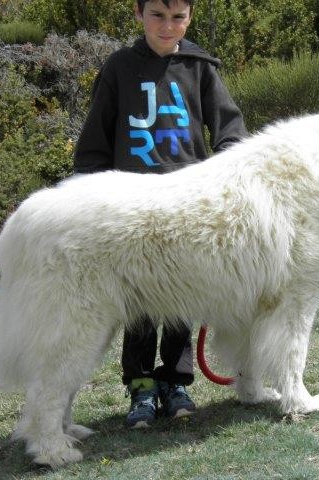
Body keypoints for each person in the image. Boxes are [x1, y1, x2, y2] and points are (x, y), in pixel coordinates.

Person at [73, 0, 247, 428]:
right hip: (130, 206)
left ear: (189, 17)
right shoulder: (118, 68)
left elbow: (230, 131)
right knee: (136, 301)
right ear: (138, 14)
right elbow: (95, 140)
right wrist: (87, 196)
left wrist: (225, 175)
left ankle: (176, 381)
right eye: (157, 15)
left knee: (181, 294)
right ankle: (141, 387)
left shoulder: (200, 67)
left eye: (177, 17)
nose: (167, 26)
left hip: (187, 206)